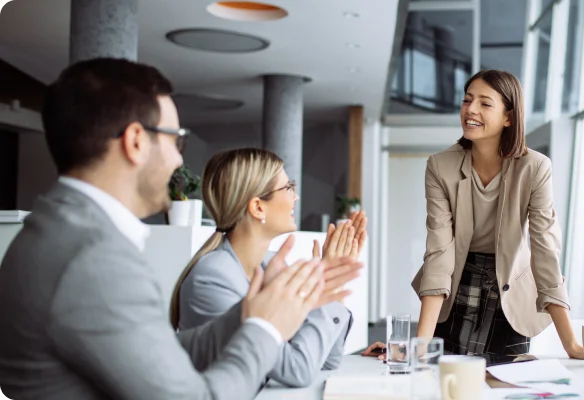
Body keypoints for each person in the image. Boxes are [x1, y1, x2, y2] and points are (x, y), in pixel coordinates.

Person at [0, 58, 361, 399]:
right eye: (176, 140)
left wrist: (253, 311)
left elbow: (157, 351)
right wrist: (264, 327)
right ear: (136, 141)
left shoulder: (66, 232)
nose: (178, 159)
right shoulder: (91, 258)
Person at [411, 69, 584, 360]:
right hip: (456, 287)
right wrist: (419, 345)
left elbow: (545, 252)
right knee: (446, 383)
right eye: (467, 100)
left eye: (485, 103)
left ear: (509, 117)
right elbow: (439, 253)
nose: (471, 109)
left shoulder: (535, 168)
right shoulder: (440, 166)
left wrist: (571, 345)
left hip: (511, 295)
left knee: (507, 385)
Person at [170, 148, 368, 387]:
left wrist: (333, 283)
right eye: (288, 187)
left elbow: (326, 359)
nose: (295, 197)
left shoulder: (270, 265)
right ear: (258, 207)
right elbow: (297, 369)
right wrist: (324, 281)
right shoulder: (213, 278)